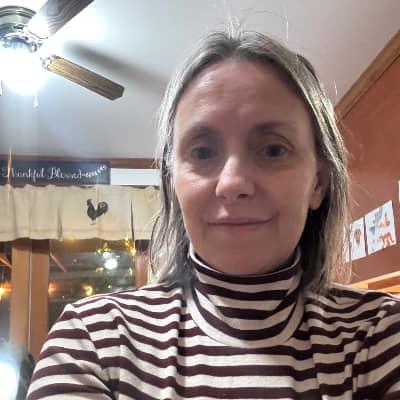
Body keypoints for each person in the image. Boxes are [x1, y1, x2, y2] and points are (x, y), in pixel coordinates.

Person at [27, 29, 400, 400]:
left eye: (273, 150)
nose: (232, 183)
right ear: (172, 182)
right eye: (203, 153)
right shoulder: (93, 340)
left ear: (318, 183)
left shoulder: (381, 334)